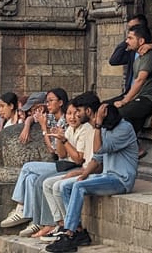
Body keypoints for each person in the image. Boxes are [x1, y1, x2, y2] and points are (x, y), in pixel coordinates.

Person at [47, 101, 139, 252]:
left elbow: (98, 149)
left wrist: (98, 125)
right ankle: (78, 231)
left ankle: (68, 234)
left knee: (79, 186)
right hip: (106, 176)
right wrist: (84, 174)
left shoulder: (124, 128)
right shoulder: (105, 129)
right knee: (67, 185)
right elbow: (97, 158)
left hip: (121, 180)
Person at [2, 89, 70, 230]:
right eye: (47, 101)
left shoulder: (66, 120)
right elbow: (32, 118)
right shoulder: (51, 117)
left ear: (61, 102)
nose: (48, 104)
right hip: (58, 161)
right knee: (30, 178)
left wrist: (44, 127)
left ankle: (20, 207)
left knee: (28, 167)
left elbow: (53, 150)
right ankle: (33, 218)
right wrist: (27, 126)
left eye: (51, 101)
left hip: (66, 163)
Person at [35, 94, 99, 239]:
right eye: (70, 113)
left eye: (78, 112)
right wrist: (60, 138)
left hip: (85, 169)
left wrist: (80, 173)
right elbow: (62, 154)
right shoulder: (73, 128)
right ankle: (61, 223)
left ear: (88, 111)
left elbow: (80, 159)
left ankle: (72, 227)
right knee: (46, 183)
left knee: (60, 185)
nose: (75, 116)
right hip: (79, 167)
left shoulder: (89, 129)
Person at [114, 25, 152, 149]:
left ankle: (134, 147)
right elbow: (113, 60)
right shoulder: (137, 59)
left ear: (141, 41)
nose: (127, 41)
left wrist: (125, 100)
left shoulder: (150, 55)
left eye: (130, 38)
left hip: (147, 97)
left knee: (121, 112)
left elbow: (140, 80)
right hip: (137, 96)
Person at [108, 15, 150, 92]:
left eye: (134, 27)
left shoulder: (150, 51)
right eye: (130, 28)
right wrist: (127, 41)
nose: (131, 30)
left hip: (141, 94)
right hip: (129, 91)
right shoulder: (132, 52)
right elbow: (114, 60)